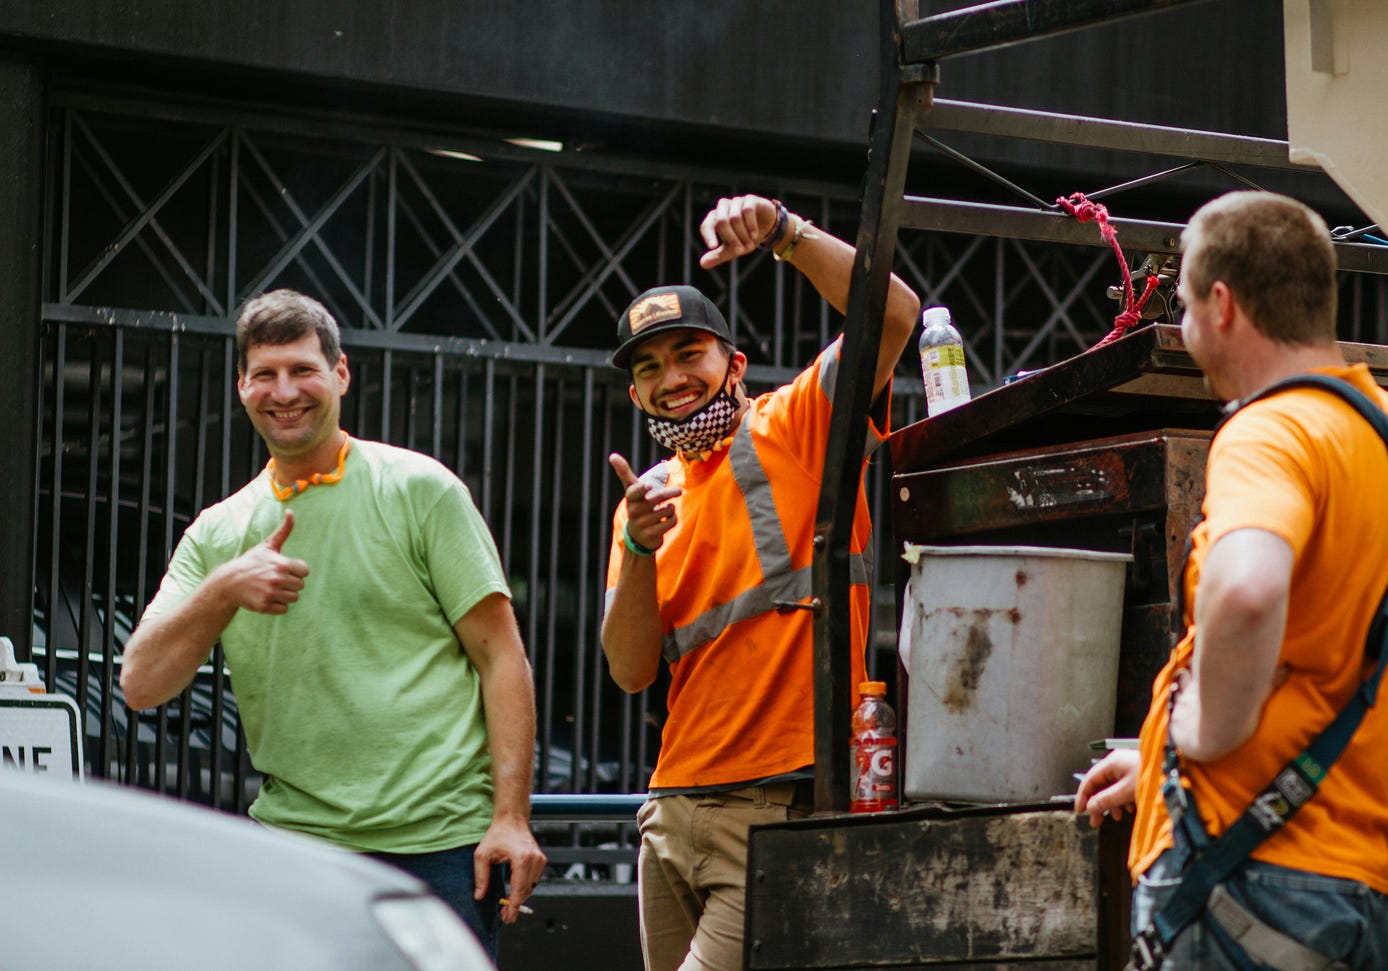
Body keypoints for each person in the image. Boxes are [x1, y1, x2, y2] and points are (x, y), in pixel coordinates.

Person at [120, 289, 546, 958]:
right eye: (265, 373)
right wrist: (225, 587)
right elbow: (141, 684)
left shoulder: (421, 489)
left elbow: (502, 658)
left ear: (341, 374)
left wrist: (511, 818)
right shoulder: (218, 532)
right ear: (242, 387)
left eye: (303, 369)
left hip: (440, 848)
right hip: (295, 849)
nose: (284, 391)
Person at [1074, 191, 1388, 970]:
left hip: (1244, 879)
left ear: (1223, 304)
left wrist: (1201, 732)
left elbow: (1247, 591)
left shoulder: (1268, 431)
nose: (1183, 323)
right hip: (1351, 882)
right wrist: (1159, 758)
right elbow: (1332, 655)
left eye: (1185, 303)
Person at [601, 194, 919, 971]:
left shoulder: (797, 424)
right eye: (649, 368)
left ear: (734, 364)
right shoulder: (645, 499)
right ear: (635, 394)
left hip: (776, 806)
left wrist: (784, 232)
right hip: (669, 812)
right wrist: (637, 546)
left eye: (689, 354)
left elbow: (894, 315)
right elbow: (631, 669)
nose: (672, 378)